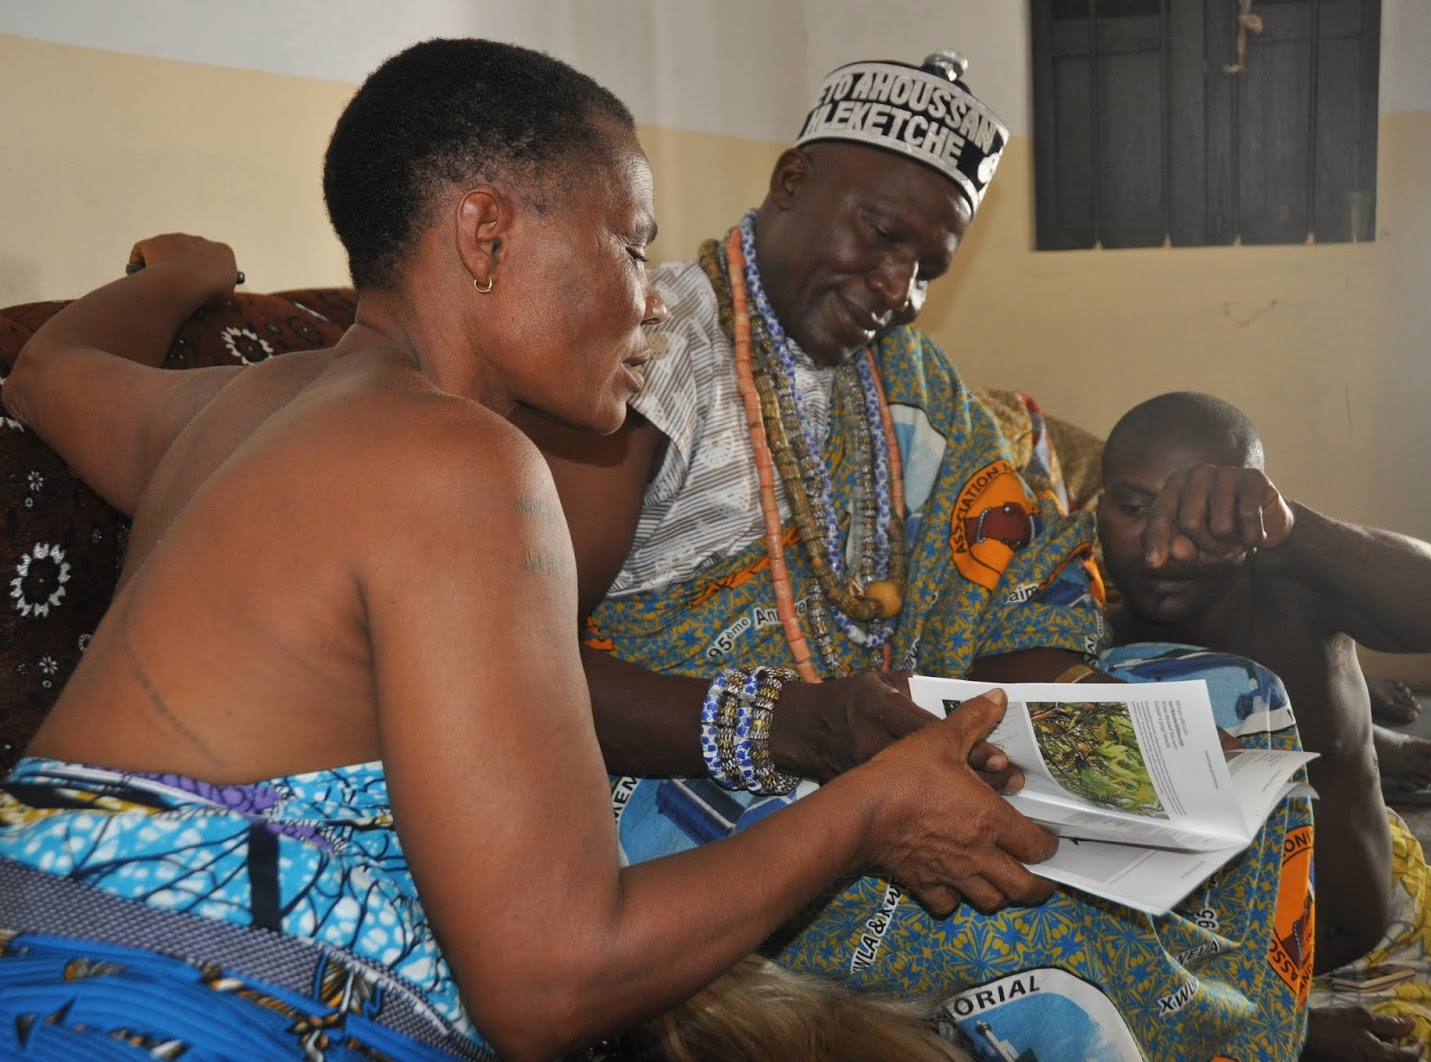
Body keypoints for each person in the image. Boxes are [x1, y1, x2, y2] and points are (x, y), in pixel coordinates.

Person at [0, 39, 1067, 1060]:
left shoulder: (229, 411)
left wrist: (182, 273)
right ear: (487, 235)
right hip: (174, 1012)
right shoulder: (462, 466)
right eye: (631, 246)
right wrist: (869, 811)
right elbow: (551, 985)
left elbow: (48, 372)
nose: (654, 300)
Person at [521, 52, 1318, 1059]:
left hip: (894, 731)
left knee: (1243, 707)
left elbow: (1011, 573)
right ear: (792, 181)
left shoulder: (906, 376)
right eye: (882, 235)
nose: (898, 289)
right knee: (1034, 912)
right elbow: (526, 668)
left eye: (927, 268)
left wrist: (1061, 730)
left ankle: (1253, 1026)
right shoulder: (654, 351)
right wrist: (797, 726)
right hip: (699, 778)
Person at [1097, 390, 1431, 1062]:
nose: (1163, 550)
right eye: (1136, 509)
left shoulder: (1296, 588)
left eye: (1207, 516)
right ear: (1097, 505)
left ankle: (1376, 742)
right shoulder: (1071, 645)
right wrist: (1282, 1031)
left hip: (1401, 907)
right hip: (1245, 994)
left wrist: (1295, 530)